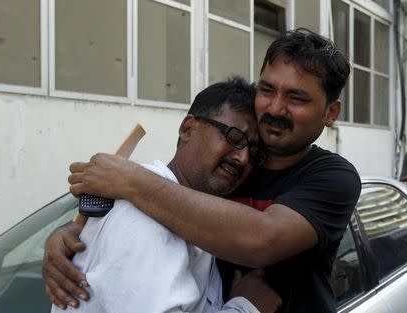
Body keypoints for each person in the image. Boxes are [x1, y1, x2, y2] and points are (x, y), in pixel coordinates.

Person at [45, 28, 361, 313]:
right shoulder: (216, 176)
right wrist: (74, 236)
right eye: (267, 90)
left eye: (296, 97)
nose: (276, 108)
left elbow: (261, 239)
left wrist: (131, 181)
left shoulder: (333, 177)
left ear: (331, 112)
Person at [46, 78, 282, 313]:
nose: (243, 159)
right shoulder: (143, 215)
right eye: (234, 137)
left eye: (253, 152)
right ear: (188, 128)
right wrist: (246, 307)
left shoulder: (198, 221)